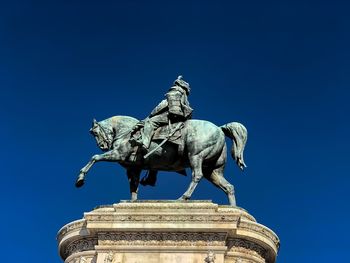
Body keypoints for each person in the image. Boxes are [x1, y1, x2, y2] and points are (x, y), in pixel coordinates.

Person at [133, 75, 193, 150]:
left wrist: (149, 116)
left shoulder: (173, 93)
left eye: (176, 85)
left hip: (170, 116)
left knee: (150, 122)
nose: (174, 86)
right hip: (181, 117)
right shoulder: (183, 97)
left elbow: (160, 107)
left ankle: (145, 143)